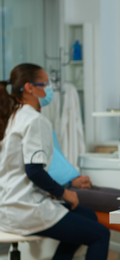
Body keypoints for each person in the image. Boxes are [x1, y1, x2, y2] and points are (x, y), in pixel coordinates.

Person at [0, 63, 110, 260]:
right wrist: (64, 193)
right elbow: (34, 171)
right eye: (45, 84)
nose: (49, 89)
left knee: (88, 216)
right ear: (29, 88)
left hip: (11, 205)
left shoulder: (15, 116)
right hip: (26, 209)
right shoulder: (34, 120)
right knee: (100, 235)